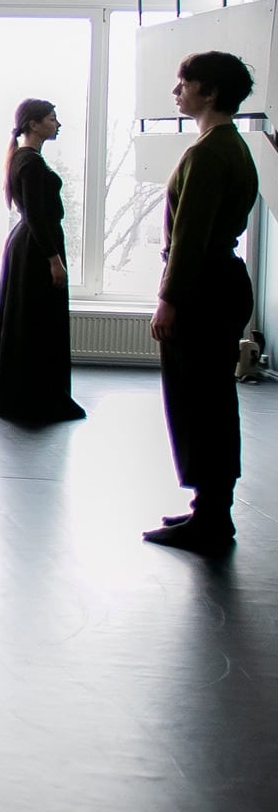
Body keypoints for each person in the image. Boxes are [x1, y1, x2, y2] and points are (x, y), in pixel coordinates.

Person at [144, 51, 258, 554]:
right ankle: (210, 508)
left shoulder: (209, 153)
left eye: (184, 83)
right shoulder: (231, 145)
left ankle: (211, 517)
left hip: (202, 289)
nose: (176, 92)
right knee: (211, 400)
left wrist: (168, 299)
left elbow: (190, 237)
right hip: (220, 282)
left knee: (199, 402)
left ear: (209, 92)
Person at [0, 99, 85, 424]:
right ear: (33, 124)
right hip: (36, 248)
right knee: (37, 319)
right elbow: (37, 215)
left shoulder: (24, 158)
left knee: (29, 317)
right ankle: (33, 397)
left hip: (30, 244)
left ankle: (26, 391)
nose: (58, 124)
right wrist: (54, 260)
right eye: (52, 119)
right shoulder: (30, 162)